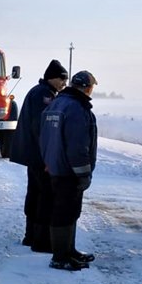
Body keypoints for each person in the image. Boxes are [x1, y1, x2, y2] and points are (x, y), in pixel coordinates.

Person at [39, 70, 99, 271]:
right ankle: (60, 257)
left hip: (56, 167)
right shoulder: (75, 108)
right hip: (69, 171)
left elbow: (44, 138)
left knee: (68, 211)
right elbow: (77, 145)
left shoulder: (57, 103)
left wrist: (48, 160)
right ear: (87, 88)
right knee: (65, 212)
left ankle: (68, 250)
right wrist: (83, 173)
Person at [9, 59, 68, 252]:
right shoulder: (44, 95)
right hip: (39, 155)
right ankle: (39, 240)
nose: (64, 84)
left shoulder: (39, 91)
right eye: (62, 80)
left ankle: (30, 236)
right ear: (52, 77)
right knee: (43, 195)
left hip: (33, 154)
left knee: (34, 193)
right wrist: (48, 157)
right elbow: (42, 128)